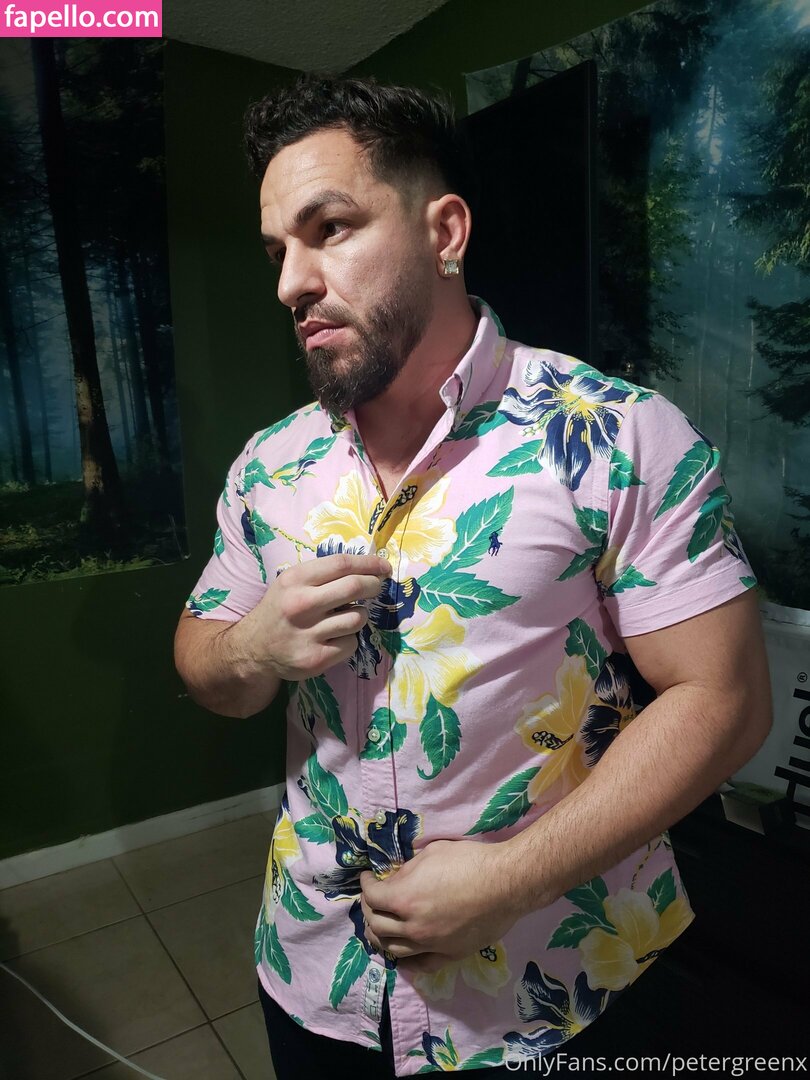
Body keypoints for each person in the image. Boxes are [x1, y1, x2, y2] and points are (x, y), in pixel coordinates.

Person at [174, 73, 772, 1078]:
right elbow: (206, 669)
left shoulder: (617, 436)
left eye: (329, 229)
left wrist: (509, 881)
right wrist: (253, 648)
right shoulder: (269, 466)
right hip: (315, 978)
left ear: (445, 232)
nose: (290, 284)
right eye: (278, 251)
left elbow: (727, 697)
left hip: (556, 988)